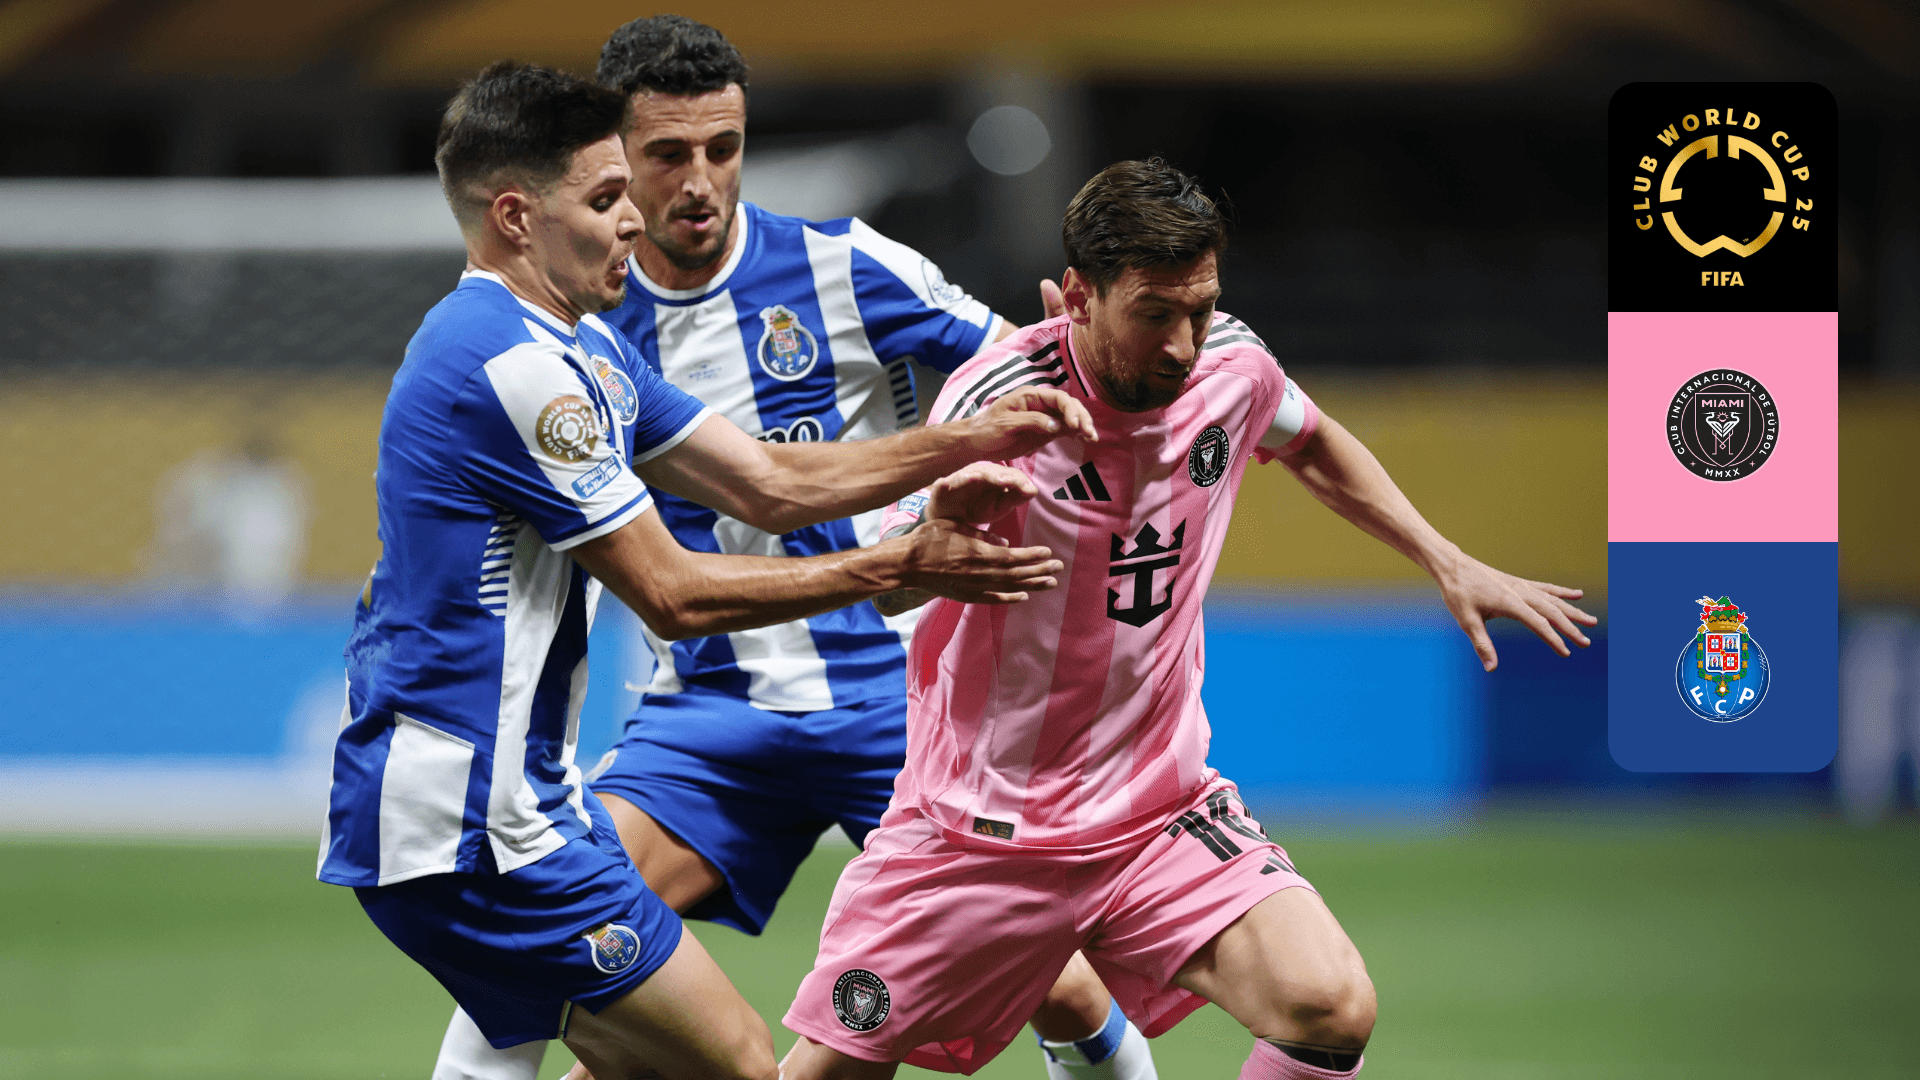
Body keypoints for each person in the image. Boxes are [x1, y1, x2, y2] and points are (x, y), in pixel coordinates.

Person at [321, 60, 1098, 1080]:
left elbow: (766, 480)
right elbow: (674, 594)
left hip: (509, 801)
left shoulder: (582, 348)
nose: (632, 221)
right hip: (475, 815)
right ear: (515, 217)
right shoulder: (516, 369)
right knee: (735, 1059)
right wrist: (901, 564)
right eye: (607, 198)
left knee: (586, 1056)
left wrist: (970, 438)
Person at [778, 159, 1599, 1079]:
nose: (1181, 345)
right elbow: (887, 585)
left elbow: (1313, 440)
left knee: (1328, 1003)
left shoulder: (1232, 367)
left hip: (1157, 815)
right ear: (1079, 298)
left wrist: (1443, 558)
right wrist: (940, 536)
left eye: (1199, 309)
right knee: (829, 1069)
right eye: (1154, 314)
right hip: (984, 834)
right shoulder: (997, 400)